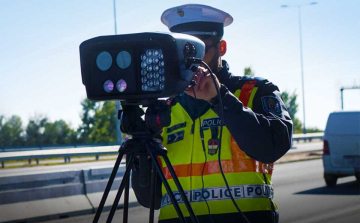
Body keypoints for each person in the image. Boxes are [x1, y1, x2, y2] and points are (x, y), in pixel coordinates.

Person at [132, 4, 293, 223]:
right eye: (182, 52)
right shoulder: (162, 109)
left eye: (198, 51)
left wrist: (220, 98)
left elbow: (273, 146)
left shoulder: (255, 91)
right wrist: (142, 154)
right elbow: (150, 199)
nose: (189, 62)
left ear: (222, 47)